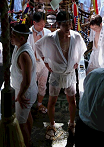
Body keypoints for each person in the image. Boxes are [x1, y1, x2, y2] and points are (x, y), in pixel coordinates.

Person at [35, 11, 87, 139]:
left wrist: (77, 61)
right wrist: (45, 62)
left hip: (69, 73)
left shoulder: (76, 37)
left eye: (69, 23)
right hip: (56, 74)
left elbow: (82, 50)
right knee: (52, 100)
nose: (68, 26)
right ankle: (52, 124)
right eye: (65, 24)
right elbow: (38, 46)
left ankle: (71, 123)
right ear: (58, 24)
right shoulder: (51, 38)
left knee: (72, 100)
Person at [10, 23, 38, 145]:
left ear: (21, 38)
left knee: (21, 123)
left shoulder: (24, 55)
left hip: (25, 91)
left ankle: (27, 143)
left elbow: (26, 80)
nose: (11, 37)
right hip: (22, 89)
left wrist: (20, 95)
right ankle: (28, 139)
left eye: (13, 35)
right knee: (26, 117)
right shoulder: (19, 46)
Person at [27, 11, 51, 114]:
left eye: (44, 24)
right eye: (40, 24)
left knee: (43, 84)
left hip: (44, 63)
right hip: (32, 64)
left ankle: (40, 104)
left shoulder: (48, 33)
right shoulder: (27, 33)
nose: (42, 26)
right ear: (34, 23)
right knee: (30, 85)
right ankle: (29, 104)